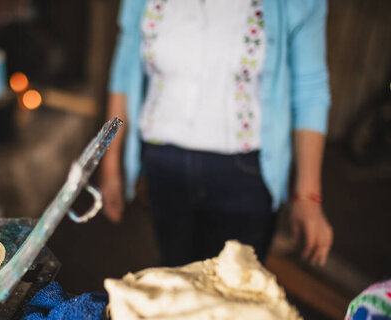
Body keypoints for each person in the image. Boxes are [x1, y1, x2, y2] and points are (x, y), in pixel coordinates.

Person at [99, 0, 334, 266]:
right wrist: (110, 164)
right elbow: (123, 74)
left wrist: (307, 194)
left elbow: (310, 88)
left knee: (234, 292)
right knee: (173, 279)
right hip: (163, 165)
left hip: (245, 173)